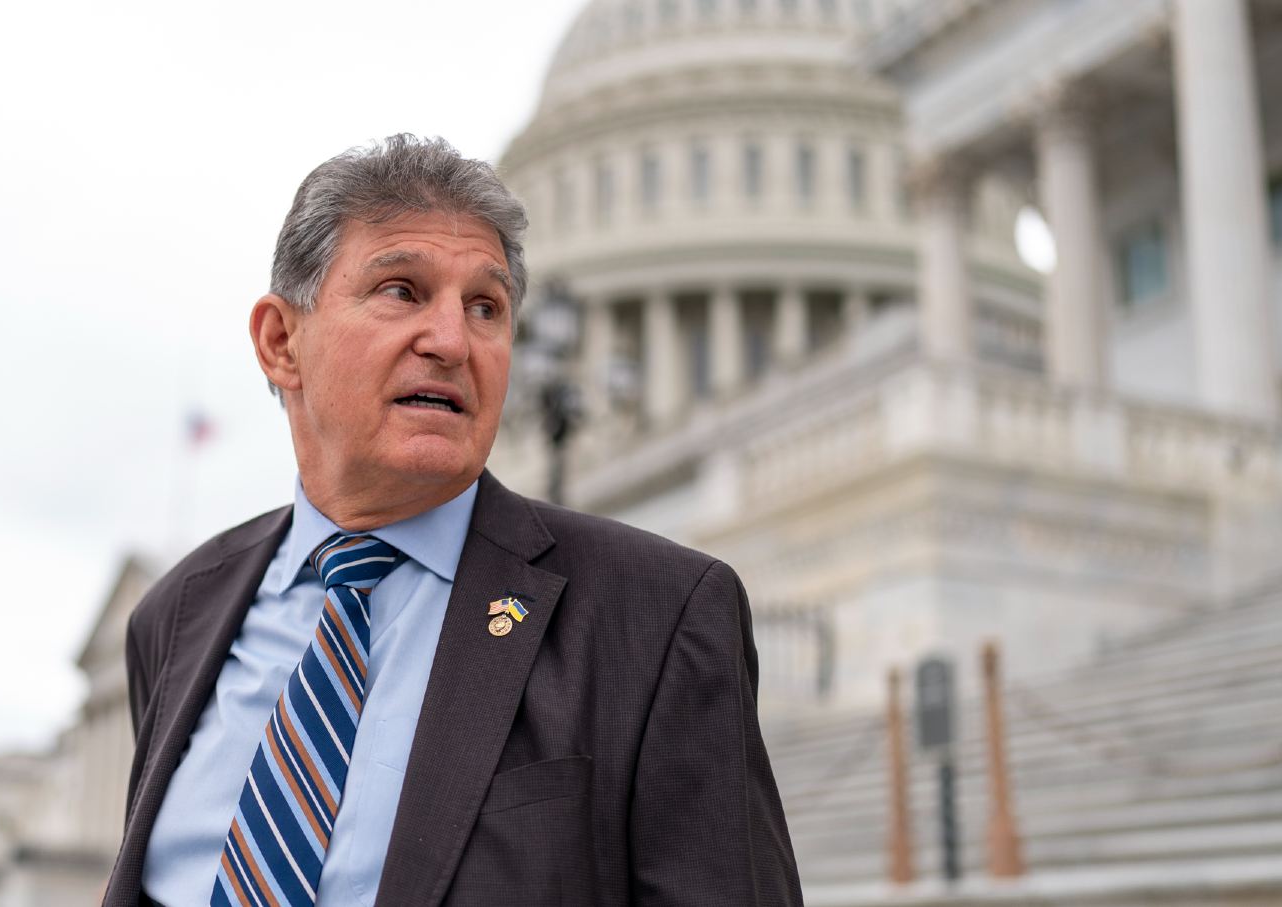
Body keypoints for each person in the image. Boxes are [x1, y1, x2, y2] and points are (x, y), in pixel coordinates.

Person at [102, 134, 802, 907]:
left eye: (485, 307)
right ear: (280, 341)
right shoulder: (176, 615)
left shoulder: (658, 615)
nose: (451, 341)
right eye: (401, 290)